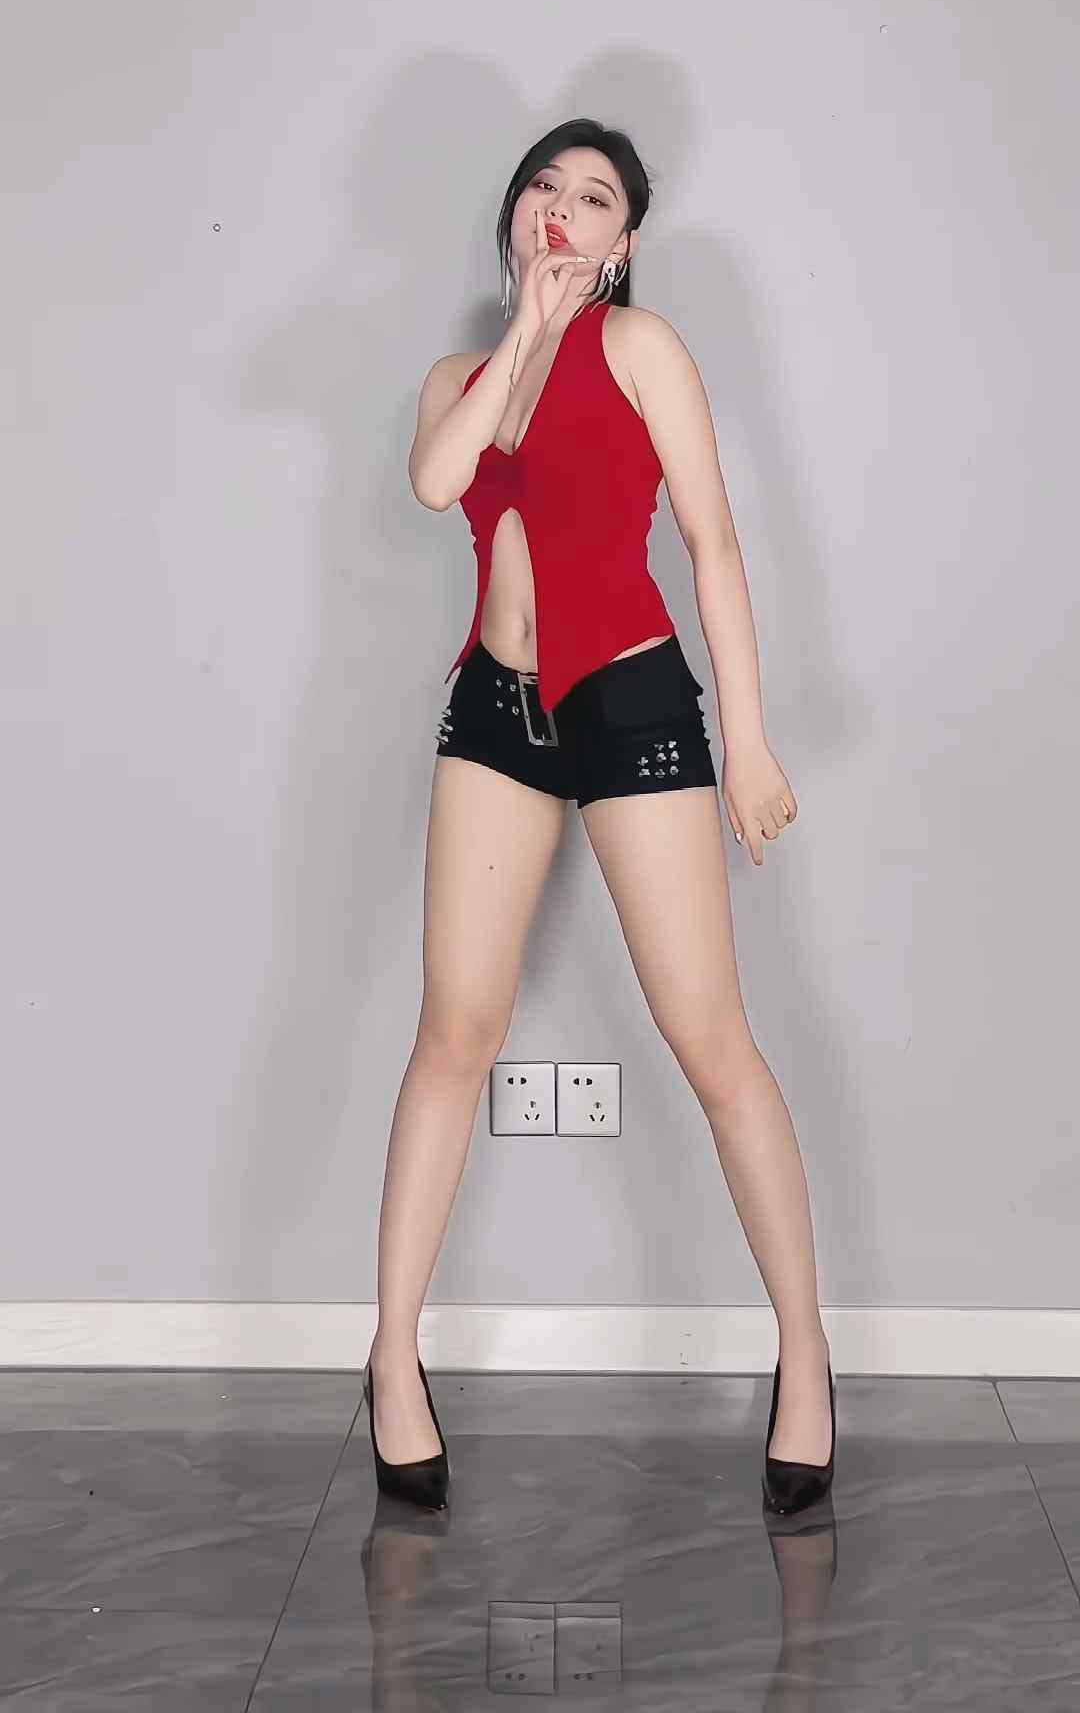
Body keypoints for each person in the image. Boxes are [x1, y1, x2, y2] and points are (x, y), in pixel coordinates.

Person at [360, 117, 835, 1518]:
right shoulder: (459, 377)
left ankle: (807, 1357)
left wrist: (747, 740)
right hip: (495, 713)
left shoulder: (643, 349)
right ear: (518, 216)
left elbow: (712, 541)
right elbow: (438, 482)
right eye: (545, 190)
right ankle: (390, 1356)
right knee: (454, 1030)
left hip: (632, 702)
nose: (565, 210)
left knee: (712, 1039)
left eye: (597, 199)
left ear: (626, 244)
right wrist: (525, 329)